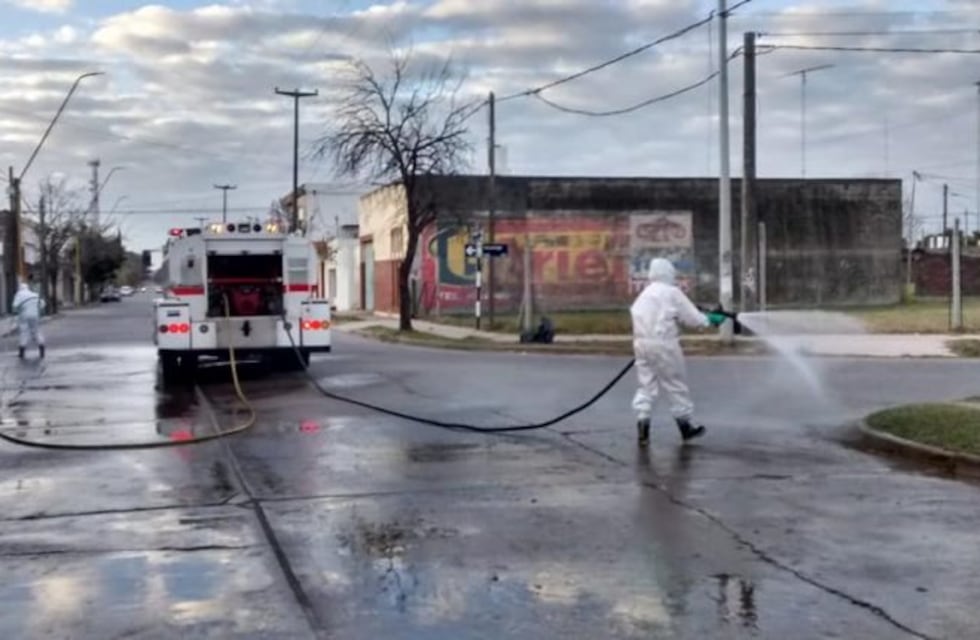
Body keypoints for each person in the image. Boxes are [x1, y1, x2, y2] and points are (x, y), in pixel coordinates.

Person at [630, 258, 725, 445]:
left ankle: (643, 427)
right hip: (664, 345)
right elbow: (692, 318)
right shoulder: (671, 292)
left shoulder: (644, 295)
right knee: (674, 383)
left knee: (646, 385)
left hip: (641, 345)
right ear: (668, 273)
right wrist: (709, 320)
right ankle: (685, 427)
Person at [12, 281, 45, 360]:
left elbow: (15, 305)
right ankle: (42, 350)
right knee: (36, 331)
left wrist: (17, 313)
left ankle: (22, 352)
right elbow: (42, 304)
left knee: (24, 332)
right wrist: (37, 310)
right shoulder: (34, 294)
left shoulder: (19, 294)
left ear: (20, 289)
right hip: (35, 316)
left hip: (24, 316)